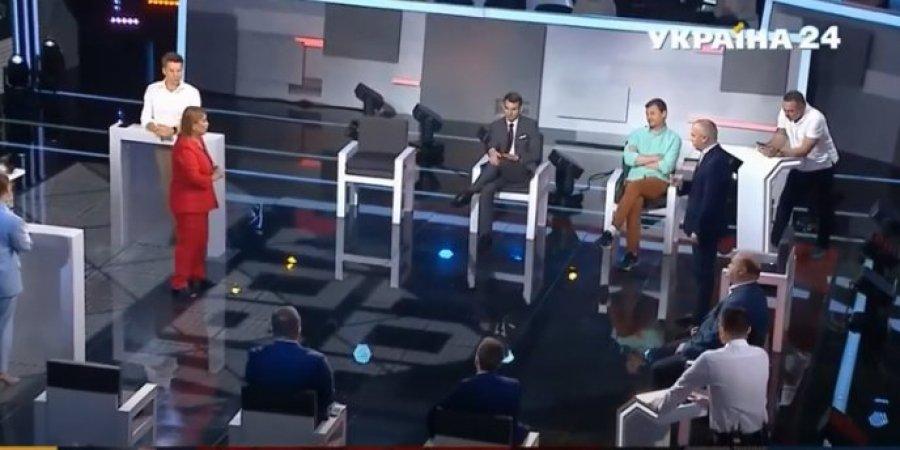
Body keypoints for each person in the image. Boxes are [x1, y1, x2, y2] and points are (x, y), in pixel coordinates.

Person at [649, 252, 768, 388]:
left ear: (742, 271)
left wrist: (688, 347)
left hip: (712, 356)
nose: (728, 267)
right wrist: (699, 331)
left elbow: (718, 338)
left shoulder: (738, 301)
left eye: (732, 264)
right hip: (707, 342)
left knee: (657, 367)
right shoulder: (753, 292)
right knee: (661, 350)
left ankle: (662, 400)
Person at [652, 307, 769, 446]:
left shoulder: (710, 359)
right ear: (748, 330)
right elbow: (743, 395)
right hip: (758, 440)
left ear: (722, 329)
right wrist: (711, 401)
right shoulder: (762, 355)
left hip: (727, 442)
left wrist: (654, 409)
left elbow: (679, 392)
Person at [451, 92, 542, 253]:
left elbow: (536, 154)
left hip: (520, 171)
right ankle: (485, 236)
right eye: (507, 108)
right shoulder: (496, 125)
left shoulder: (530, 126)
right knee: (487, 189)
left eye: (514, 109)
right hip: (500, 172)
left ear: (520, 109)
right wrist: (492, 151)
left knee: (496, 164)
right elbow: (491, 144)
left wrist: (518, 157)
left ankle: (470, 191)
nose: (510, 113)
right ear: (502, 107)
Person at [598, 98, 681, 270]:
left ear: (664, 114)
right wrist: (654, 158)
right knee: (635, 200)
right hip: (633, 182)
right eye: (647, 114)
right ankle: (631, 254)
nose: (649, 117)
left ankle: (612, 229)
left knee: (634, 187)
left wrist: (640, 160)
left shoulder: (673, 139)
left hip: (657, 182)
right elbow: (629, 159)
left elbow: (667, 166)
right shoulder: (636, 135)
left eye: (653, 113)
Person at [760, 90, 838, 258]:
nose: (787, 114)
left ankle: (822, 245)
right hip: (799, 166)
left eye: (791, 111)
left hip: (821, 168)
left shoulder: (816, 118)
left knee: (822, 209)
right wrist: (770, 147)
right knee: (785, 203)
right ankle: (773, 241)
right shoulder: (785, 113)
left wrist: (779, 153)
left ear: (802, 107)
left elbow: (804, 150)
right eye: (785, 110)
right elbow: (781, 135)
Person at [680, 119, 735, 324]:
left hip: (706, 228)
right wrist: (682, 187)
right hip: (702, 225)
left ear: (705, 138)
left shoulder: (717, 161)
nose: (691, 138)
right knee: (700, 273)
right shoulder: (710, 156)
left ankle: (700, 319)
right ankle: (698, 315)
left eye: (694, 135)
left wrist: (698, 229)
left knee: (704, 273)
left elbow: (710, 200)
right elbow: (700, 187)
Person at [428, 337, 527, 443]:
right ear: (499, 363)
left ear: (477, 360)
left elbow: (435, 416)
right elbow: (512, 422)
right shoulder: (513, 387)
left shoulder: (465, 386)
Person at [245, 306, 334, 420]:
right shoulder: (317, 362)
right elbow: (326, 399)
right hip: (305, 427)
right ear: (298, 329)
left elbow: (251, 386)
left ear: (273, 330)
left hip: (260, 422)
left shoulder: (256, 356)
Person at [169, 107, 222, 299]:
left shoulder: (198, 140)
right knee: (188, 244)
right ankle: (180, 282)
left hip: (200, 202)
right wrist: (213, 177)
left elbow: (204, 165)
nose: (207, 124)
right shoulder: (185, 147)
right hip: (188, 204)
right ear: (192, 125)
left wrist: (212, 169)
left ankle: (196, 276)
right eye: (203, 121)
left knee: (200, 242)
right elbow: (193, 177)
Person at [140, 52, 202, 197]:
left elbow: (194, 121)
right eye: (172, 71)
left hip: (186, 145)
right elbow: (145, 118)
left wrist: (173, 130)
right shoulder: (152, 90)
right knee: (167, 182)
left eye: (179, 71)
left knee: (187, 182)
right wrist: (156, 129)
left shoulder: (192, 92)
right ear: (164, 71)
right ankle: (170, 210)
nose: (176, 75)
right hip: (160, 144)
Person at [0, 173, 31, 386]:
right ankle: (1, 372)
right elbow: (24, 246)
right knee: (3, 327)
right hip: (4, 283)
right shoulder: (12, 221)